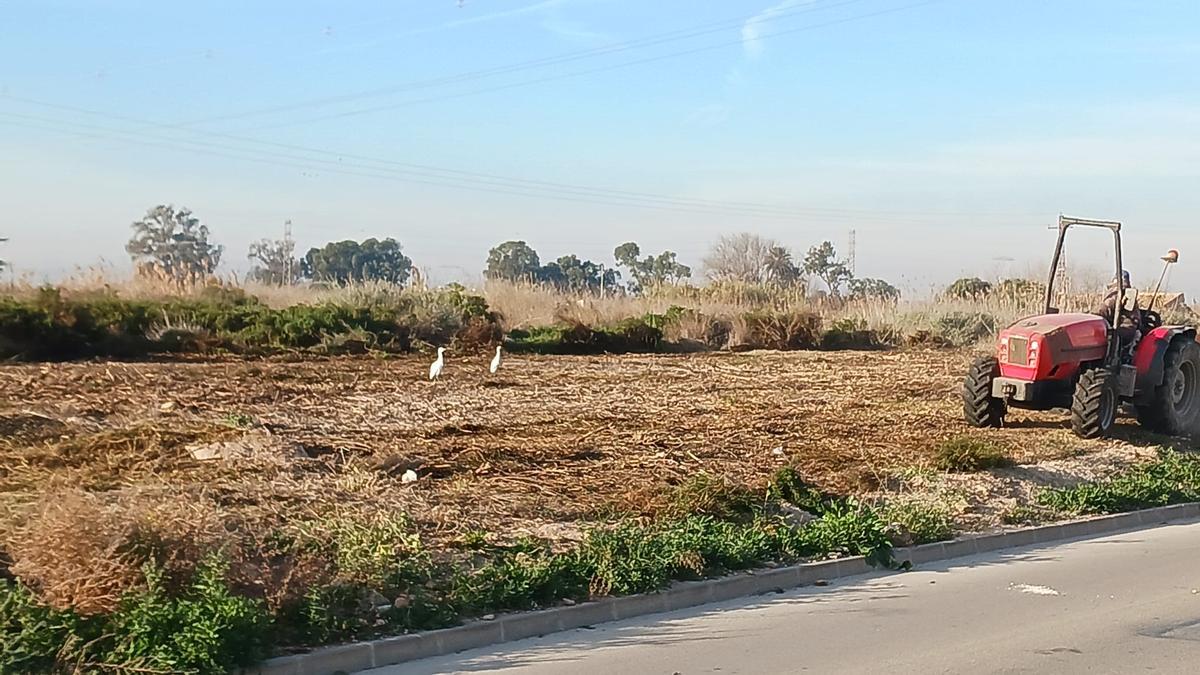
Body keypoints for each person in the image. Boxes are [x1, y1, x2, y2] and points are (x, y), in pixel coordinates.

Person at [1092, 270, 1141, 353]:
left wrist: (1093, 316)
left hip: (1125, 327)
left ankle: (1112, 357)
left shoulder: (1118, 295)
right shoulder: (1124, 294)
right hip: (1124, 325)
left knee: (1109, 335)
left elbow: (1104, 309)